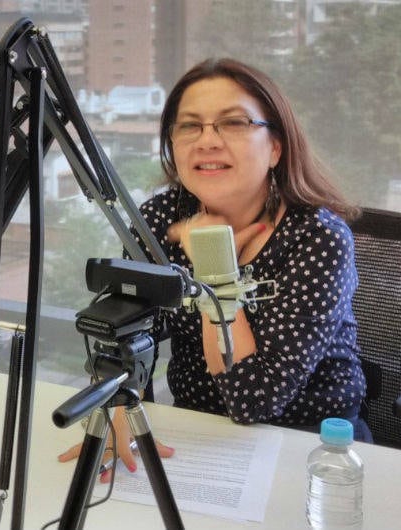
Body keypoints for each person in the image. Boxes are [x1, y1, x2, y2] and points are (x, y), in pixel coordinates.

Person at [58, 58, 368, 481]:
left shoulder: (318, 238)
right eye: (190, 125)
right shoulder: (161, 217)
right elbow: (131, 330)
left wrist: (213, 262)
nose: (207, 141)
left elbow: (253, 400)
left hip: (311, 449)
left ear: (275, 147)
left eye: (233, 123)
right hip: (194, 435)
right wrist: (120, 413)